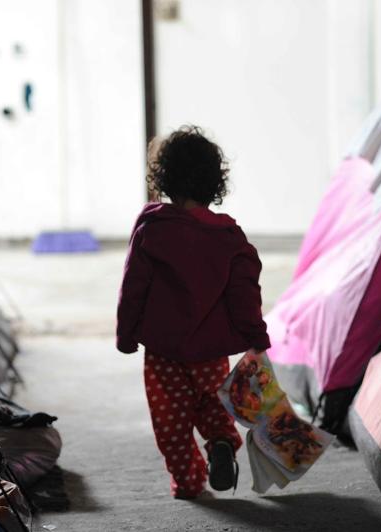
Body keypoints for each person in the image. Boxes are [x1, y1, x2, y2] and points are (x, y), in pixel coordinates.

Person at [116, 125, 270, 499]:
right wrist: (256, 338)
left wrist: (126, 333)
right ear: (214, 182)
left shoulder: (153, 230)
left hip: (164, 353)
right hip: (210, 352)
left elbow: (133, 287)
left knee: (171, 420)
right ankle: (220, 442)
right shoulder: (230, 240)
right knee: (209, 403)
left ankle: (187, 479)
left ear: (164, 179)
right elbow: (245, 294)